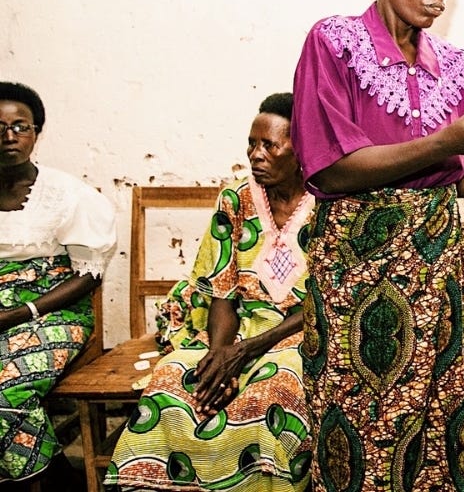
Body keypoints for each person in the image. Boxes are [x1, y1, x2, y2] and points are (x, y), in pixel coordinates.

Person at [290, 0, 464, 492]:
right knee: (357, 420)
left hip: (435, 270)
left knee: (435, 416)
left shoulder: (456, 66)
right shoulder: (334, 43)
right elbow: (332, 168)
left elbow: (460, 172)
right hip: (354, 273)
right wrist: (448, 141)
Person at [105, 93, 314, 491]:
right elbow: (222, 291)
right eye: (251, 144)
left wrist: (245, 353)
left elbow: (328, 300)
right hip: (233, 325)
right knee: (173, 380)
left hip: (300, 333)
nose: (256, 155)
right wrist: (220, 356)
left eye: (270, 145)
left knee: (273, 394)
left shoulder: (332, 202)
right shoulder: (235, 199)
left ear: (302, 147)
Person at [0, 81, 116, 483]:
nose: (9, 136)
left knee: (6, 391)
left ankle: (48, 481)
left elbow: (88, 274)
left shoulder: (67, 194)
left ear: (37, 133)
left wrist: (21, 311)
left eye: (21, 126)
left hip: (51, 312)